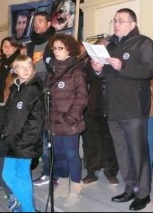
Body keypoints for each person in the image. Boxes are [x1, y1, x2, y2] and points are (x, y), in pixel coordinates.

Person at [91, 8, 153, 211]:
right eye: (115, 20)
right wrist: (98, 69)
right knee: (122, 152)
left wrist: (122, 66)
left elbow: (149, 70)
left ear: (133, 24)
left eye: (121, 20)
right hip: (113, 107)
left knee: (138, 152)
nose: (116, 24)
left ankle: (143, 193)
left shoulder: (144, 42)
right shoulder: (110, 45)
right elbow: (106, 75)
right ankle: (130, 188)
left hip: (133, 108)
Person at [46, 33, 88, 207]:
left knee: (71, 155)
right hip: (54, 123)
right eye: (54, 48)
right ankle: (63, 185)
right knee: (60, 156)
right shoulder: (52, 71)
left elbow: (82, 97)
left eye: (60, 48)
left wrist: (71, 117)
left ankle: (75, 189)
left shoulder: (77, 70)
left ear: (69, 49)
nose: (56, 51)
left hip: (70, 122)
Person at [0, 55, 44, 212]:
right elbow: (9, 115)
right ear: (15, 70)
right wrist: (4, 134)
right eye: (22, 67)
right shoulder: (16, 87)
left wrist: (21, 140)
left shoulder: (34, 88)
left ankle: (28, 209)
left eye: (29, 67)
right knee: (19, 177)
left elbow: (35, 120)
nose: (26, 70)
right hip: (12, 139)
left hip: (23, 141)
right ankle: (28, 208)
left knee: (11, 176)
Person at [0, 37, 21, 211]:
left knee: (8, 144)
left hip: (11, 107)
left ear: (15, 47)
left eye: (8, 45)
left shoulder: (19, 62)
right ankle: (9, 187)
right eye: (3, 46)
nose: (5, 48)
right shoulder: (3, 63)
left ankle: (14, 191)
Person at [82, 40, 119, 186]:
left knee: (111, 143)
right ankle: (92, 173)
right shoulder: (90, 62)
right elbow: (87, 77)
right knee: (93, 143)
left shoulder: (116, 59)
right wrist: (92, 64)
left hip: (113, 106)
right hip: (95, 106)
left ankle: (111, 173)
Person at [27, 11, 56, 186]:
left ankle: (50, 172)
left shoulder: (54, 42)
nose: (36, 24)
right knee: (35, 133)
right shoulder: (31, 45)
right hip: (33, 91)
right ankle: (37, 164)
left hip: (49, 91)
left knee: (47, 135)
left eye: (40, 21)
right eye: (35, 21)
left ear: (48, 23)